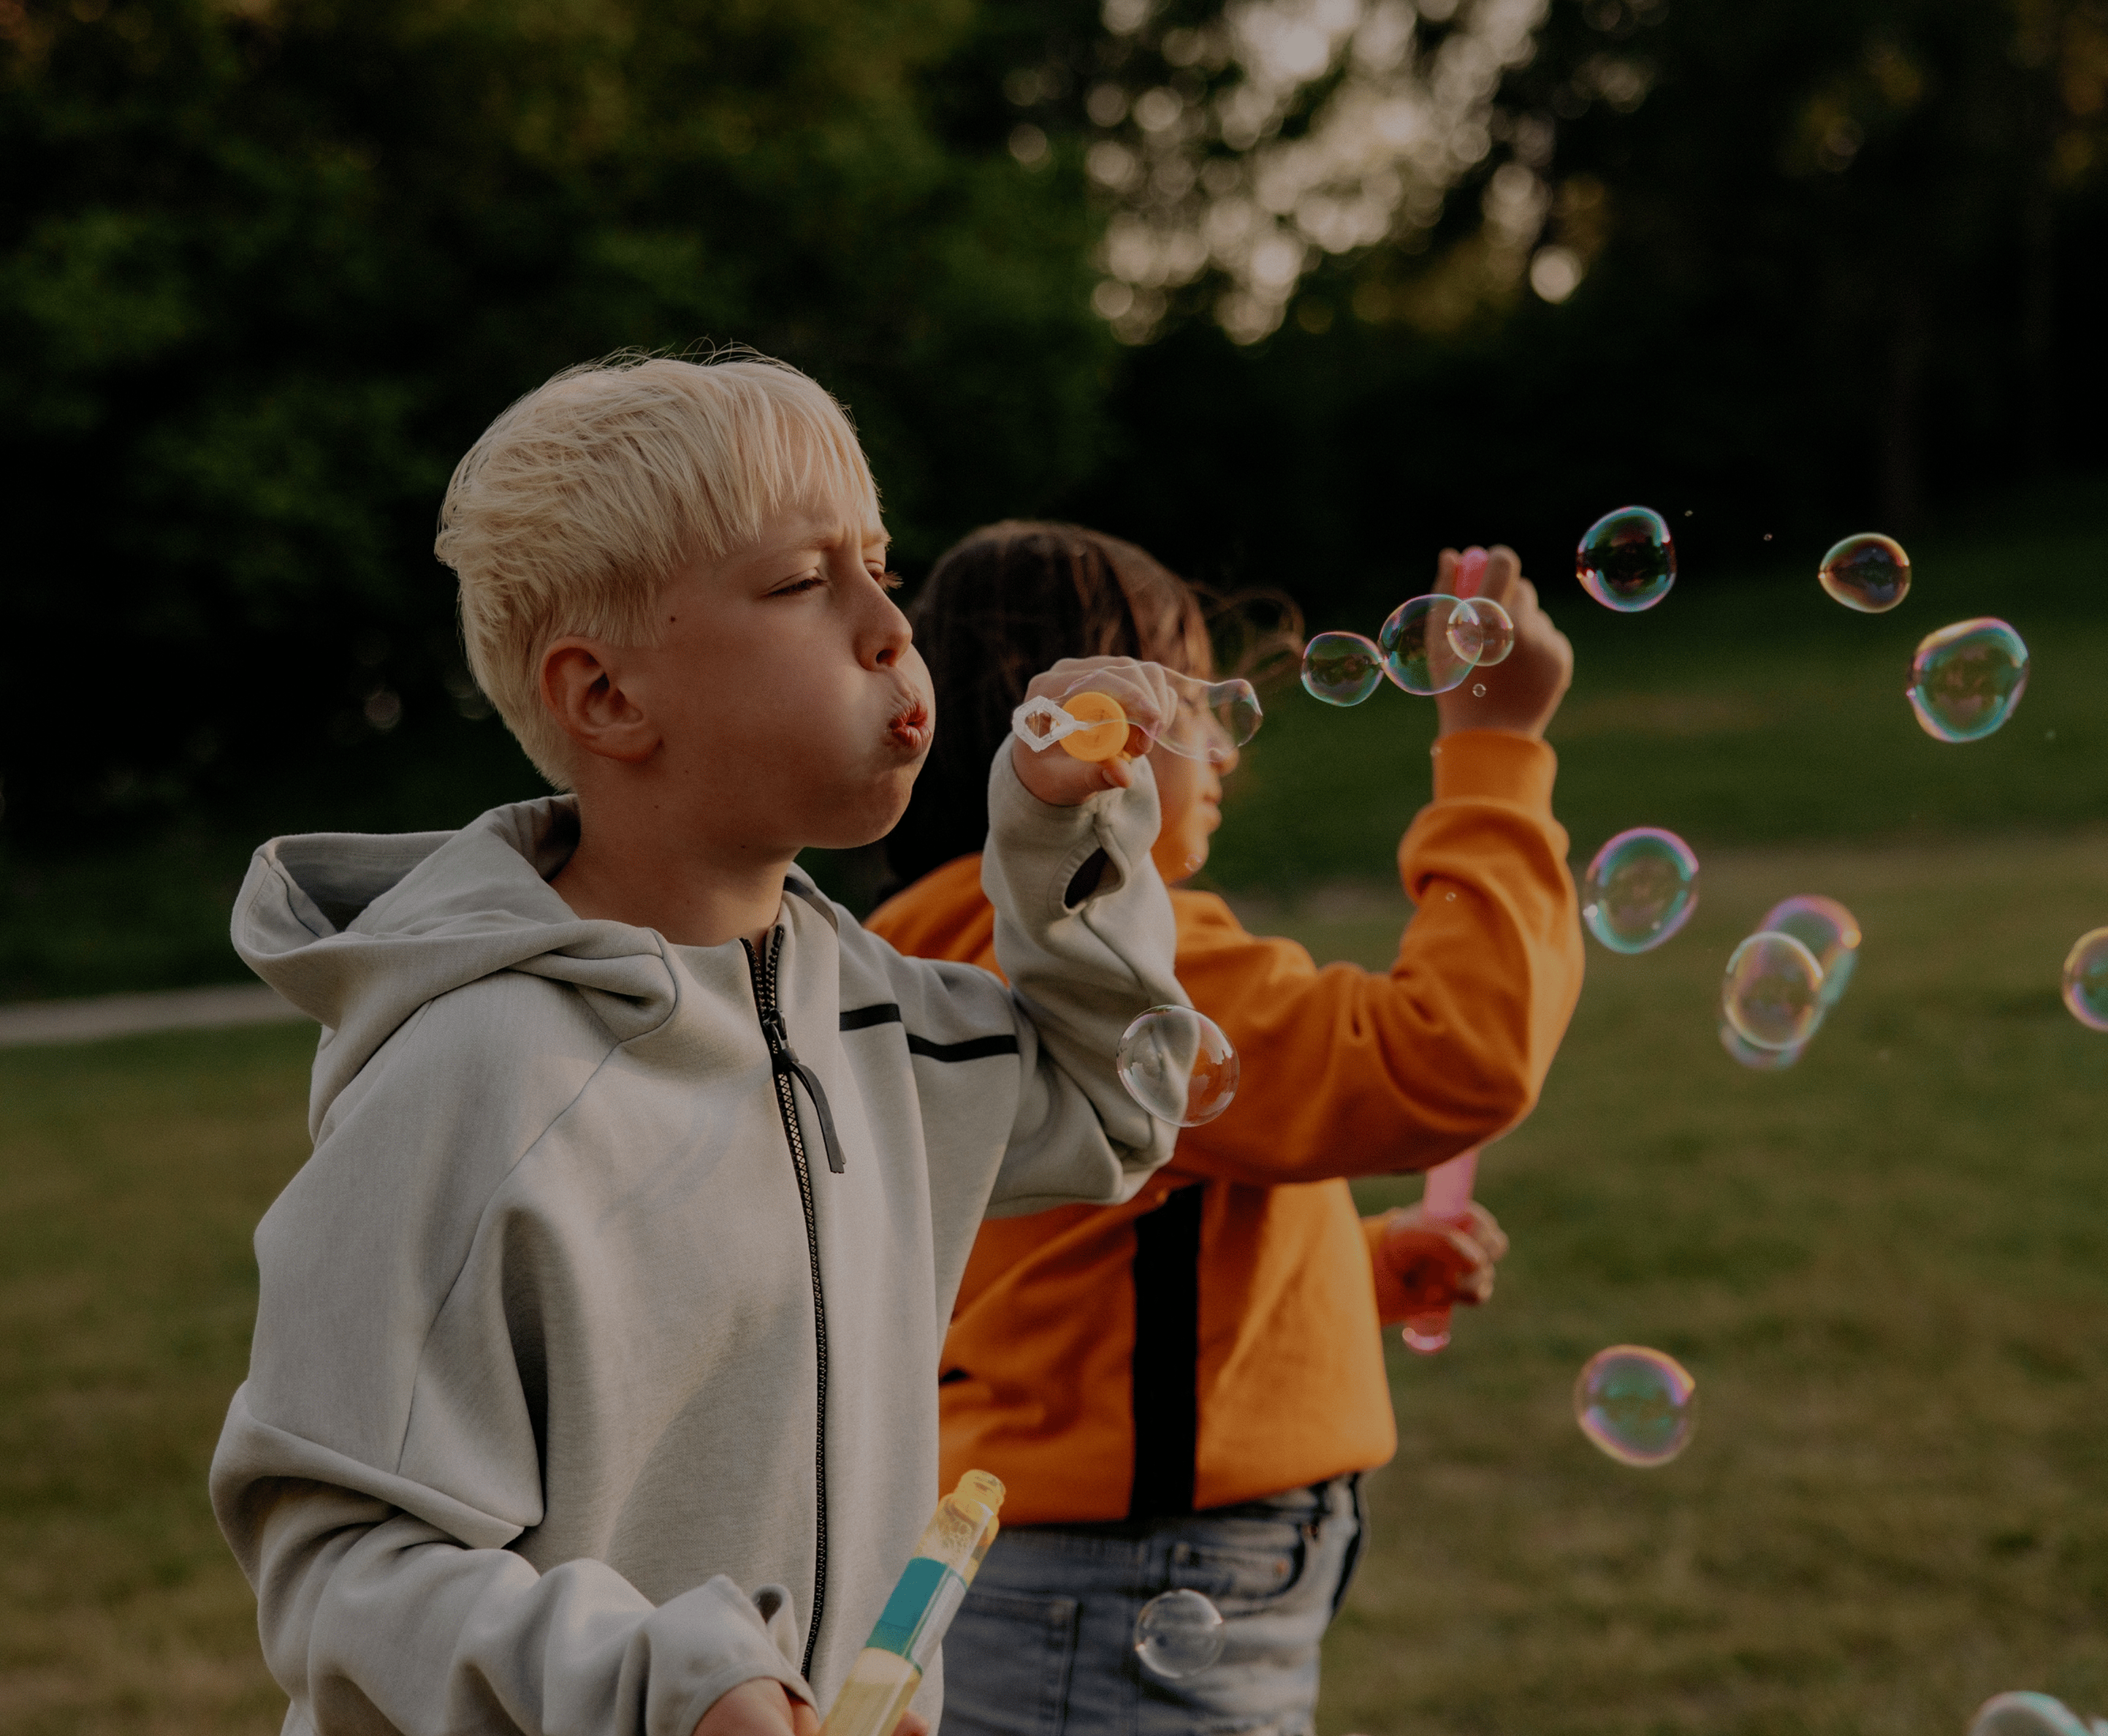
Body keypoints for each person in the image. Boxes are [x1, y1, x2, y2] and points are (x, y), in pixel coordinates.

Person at [209, 357, 1201, 1736]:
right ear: (607, 698)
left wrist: (1059, 838)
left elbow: (1113, 1104)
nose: (886, 628)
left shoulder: (863, 1012)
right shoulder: (478, 1078)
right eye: (803, 584)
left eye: (881, 566)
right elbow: (341, 1566)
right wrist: (668, 1687)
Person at [864, 522, 1585, 1736]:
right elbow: (1453, 1058)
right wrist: (1496, 746)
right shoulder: (1123, 960)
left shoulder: (927, 942)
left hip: (1048, 1568)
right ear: (1099, 739)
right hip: (1135, 1577)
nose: (1224, 747)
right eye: (1191, 699)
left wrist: (1339, 1277)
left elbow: (1063, 1279)